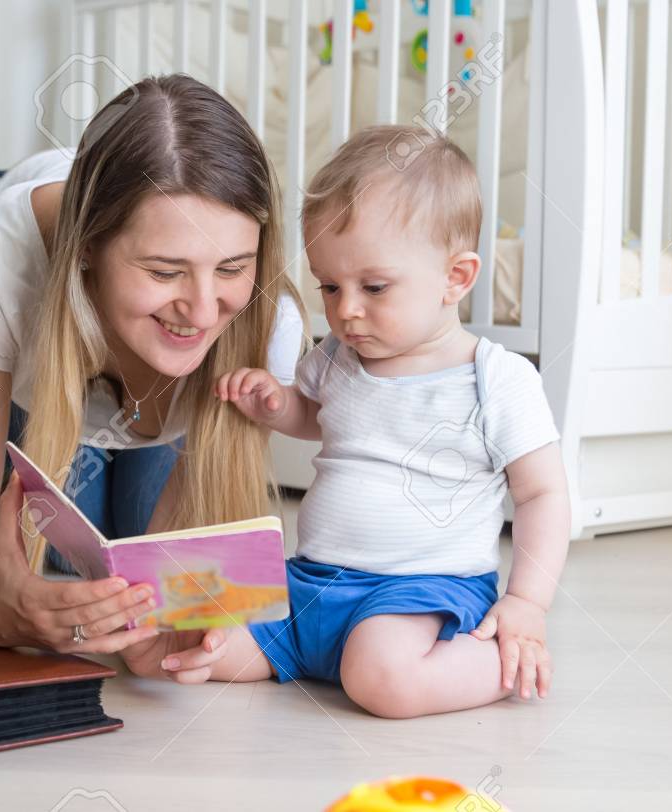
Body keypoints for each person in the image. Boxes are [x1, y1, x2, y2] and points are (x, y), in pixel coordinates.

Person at [141, 125, 570, 718]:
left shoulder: (495, 378)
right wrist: (275, 403)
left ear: (457, 277)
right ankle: (296, 653)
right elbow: (316, 418)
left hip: (420, 594)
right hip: (311, 583)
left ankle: (492, 663)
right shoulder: (340, 357)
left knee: (381, 679)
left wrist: (527, 601)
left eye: (373, 287)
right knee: (193, 634)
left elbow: (543, 493)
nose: (346, 310)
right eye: (330, 286)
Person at [0, 75, 305, 662]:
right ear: (88, 246)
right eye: (165, 272)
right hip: (47, 387)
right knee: (65, 559)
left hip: (156, 414)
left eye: (230, 268)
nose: (200, 311)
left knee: (135, 563)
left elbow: (184, 598)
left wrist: (182, 632)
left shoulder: (269, 322)